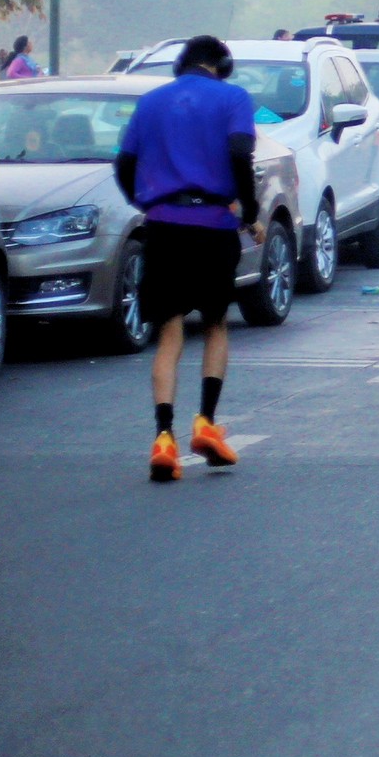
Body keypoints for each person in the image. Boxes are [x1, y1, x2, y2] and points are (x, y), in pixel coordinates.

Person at [113, 34, 255, 482]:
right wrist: (249, 209)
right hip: (214, 225)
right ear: (221, 64)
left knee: (169, 331)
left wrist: (143, 201)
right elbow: (240, 152)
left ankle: (163, 439)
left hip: (164, 226)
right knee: (215, 325)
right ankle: (206, 423)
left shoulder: (151, 102)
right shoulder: (233, 98)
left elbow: (123, 162)